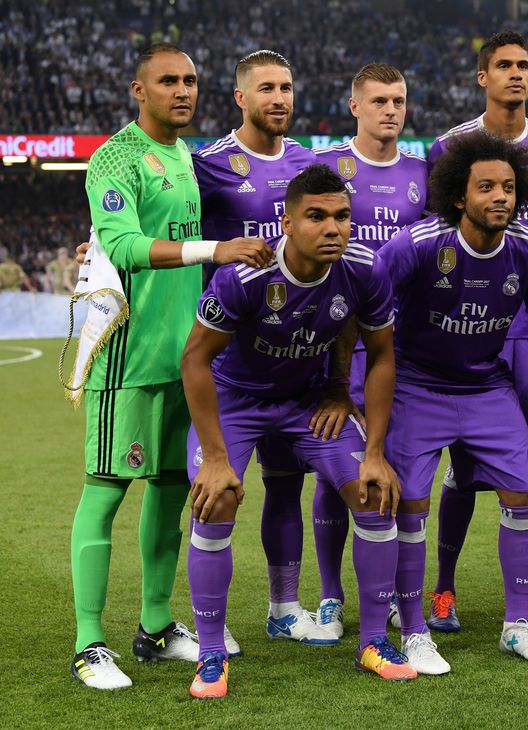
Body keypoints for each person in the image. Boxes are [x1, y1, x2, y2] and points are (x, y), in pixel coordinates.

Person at [70, 43, 271, 691]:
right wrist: (217, 247)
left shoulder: (185, 155)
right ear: (139, 89)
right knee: (105, 490)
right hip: (127, 357)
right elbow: (122, 244)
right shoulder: (115, 158)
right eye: (168, 81)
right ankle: (88, 644)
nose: (182, 91)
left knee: (165, 493)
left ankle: (155, 629)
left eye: (190, 80)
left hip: (185, 362)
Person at [182, 164, 407, 697]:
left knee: (375, 495)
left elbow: (379, 356)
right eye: (317, 217)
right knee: (218, 500)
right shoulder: (245, 276)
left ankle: (374, 641)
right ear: (286, 221)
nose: (333, 228)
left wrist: (371, 447)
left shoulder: (364, 270)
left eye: (342, 217)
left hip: (305, 402)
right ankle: (212, 653)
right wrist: (215, 457)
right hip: (236, 399)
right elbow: (195, 361)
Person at [378, 130, 528, 673]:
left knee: (524, 494)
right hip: (417, 386)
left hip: (487, 387)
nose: (500, 197)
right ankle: (415, 628)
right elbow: (366, 324)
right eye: (486, 187)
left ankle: (517, 625)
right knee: (411, 504)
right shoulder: (415, 246)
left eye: (509, 188)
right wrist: (352, 394)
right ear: (458, 196)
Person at [424, 30, 528, 632]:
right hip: (473, 332)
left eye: (524, 66)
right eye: (504, 66)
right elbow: (438, 232)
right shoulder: (451, 148)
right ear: (481, 78)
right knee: (463, 470)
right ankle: (443, 587)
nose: (516, 75)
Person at [193, 49, 336, 646]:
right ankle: (211, 628)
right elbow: (164, 220)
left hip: (301, 365)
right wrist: (93, 248)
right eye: (266, 88)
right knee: (215, 494)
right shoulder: (209, 165)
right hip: (233, 360)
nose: (279, 98)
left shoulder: (312, 164)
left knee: (286, 486)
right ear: (240, 98)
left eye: (286, 87)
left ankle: (284, 607)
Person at [311, 62, 427, 634]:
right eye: (379, 100)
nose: (391, 110)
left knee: (391, 465)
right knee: (336, 470)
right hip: (334, 346)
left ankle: (386, 595)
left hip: (396, 347)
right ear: (354, 106)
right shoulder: (326, 167)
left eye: (399, 100)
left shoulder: (422, 174)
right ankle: (331, 597)